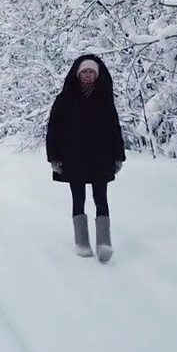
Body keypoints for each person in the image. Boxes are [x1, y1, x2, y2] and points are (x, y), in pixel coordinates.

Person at [45, 54, 127, 261]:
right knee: (78, 197)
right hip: (73, 157)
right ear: (78, 74)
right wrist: (54, 157)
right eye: (85, 72)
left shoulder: (104, 99)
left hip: (101, 156)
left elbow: (114, 128)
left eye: (92, 72)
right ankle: (81, 241)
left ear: (97, 75)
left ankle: (104, 242)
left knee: (101, 198)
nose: (88, 75)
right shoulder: (64, 99)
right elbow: (53, 129)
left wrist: (118, 156)